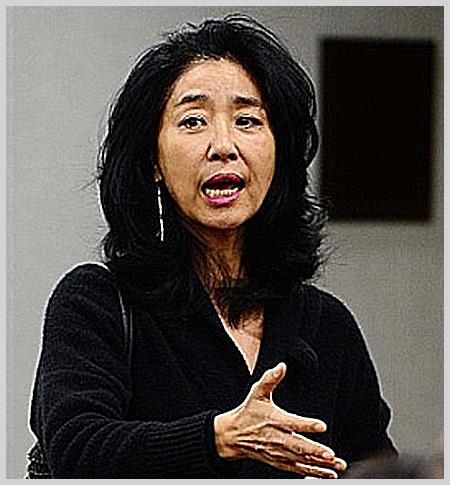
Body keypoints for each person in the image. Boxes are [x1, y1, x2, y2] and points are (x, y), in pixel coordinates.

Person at [28, 14, 396, 478]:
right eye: (193, 121)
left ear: (279, 153)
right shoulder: (96, 302)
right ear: (153, 160)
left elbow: (378, 467)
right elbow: (76, 448)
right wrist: (219, 438)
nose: (223, 145)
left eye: (247, 120)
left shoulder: (326, 325)